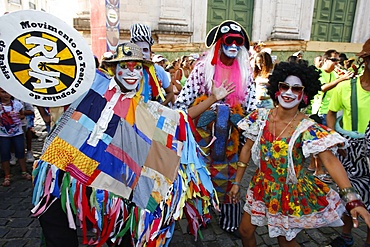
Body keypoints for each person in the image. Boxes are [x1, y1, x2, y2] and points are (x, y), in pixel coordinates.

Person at [31, 42, 216, 247]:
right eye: (125, 65)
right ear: (113, 69)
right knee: (53, 219)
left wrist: (214, 98)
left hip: (108, 182)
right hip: (66, 169)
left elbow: (180, 119)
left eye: (137, 67)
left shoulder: (145, 110)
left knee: (119, 231)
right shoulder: (92, 87)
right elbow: (57, 87)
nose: (131, 72)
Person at [229, 61, 370, 247]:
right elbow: (246, 149)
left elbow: (329, 160)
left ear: (304, 95)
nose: (288, 93)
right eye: (284, 86)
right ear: (276, 88)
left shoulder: (308, 127)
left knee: (285, 242)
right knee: (245, 231)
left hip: (288, 192)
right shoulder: (260, 117)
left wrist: (352, 199)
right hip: (260, 186)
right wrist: (237, 183)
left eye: (296, 89)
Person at [175, 20, 257, 233]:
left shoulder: (246, 73)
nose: (233, 46)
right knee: (201, 174)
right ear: (219, 43)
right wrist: (210, 104)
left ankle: (230, 220)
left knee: (230, 177)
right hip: (202, 137)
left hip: (231, 138)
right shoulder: (202, 69)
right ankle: (201, 217)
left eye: (238, 42)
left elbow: (252, 111)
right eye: (229, 40)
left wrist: (236, 119)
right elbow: (182, 105)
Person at [326, 37, 370, 247]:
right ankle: (346, 235)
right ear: (366, 60)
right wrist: (334, 139)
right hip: (351, 152)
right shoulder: (345, 87)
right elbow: (331, 113)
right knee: (348, 194)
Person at [309, 49, 354, 183]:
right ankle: (319, 170)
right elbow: (322, 88)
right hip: (320, 111)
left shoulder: (335, 73)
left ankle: (313, 166)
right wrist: (341, 79)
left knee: (321, 142)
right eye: (334, 60)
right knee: (322, 143)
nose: (336, 63)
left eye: (338, 61)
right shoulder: (319, 73)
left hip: (330, 111)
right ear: (325, 60)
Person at [129, 23, 174, 107]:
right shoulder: (126, 71)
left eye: (145, 50)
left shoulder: (159, 70)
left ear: (150, 53)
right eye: (138, 49)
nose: (142, 53)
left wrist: (159, 108)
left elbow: (170, 92)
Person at [0, 88, 32, 186]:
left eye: (8, 92)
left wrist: (19, 116)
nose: (6, 95)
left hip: (17, 133)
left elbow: (23, 115)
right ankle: (7, 175)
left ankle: (24, 171)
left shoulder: (17, 104)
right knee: (4, 154)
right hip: (3, 134)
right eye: (3, 92)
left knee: (20, 151)